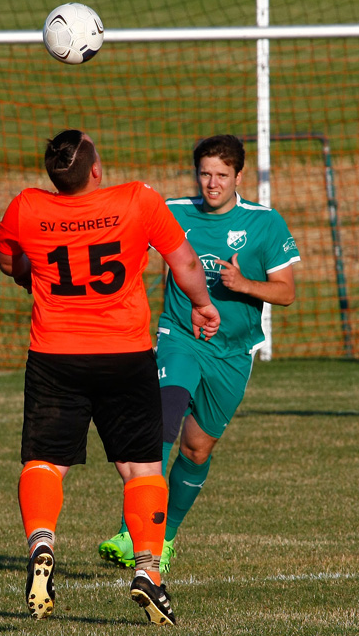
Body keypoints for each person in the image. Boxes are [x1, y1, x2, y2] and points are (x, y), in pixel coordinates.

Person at [0, 129, 220, 625]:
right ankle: (147, 572)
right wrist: (202, 306)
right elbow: (182, 262)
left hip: (55, 354)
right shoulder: (138, 199)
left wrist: (30, 276)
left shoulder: (27, 207)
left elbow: (9, 259)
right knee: (142, 468)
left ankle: (41, 545)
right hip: (126, 354)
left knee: (46, 462)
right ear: (95, 169)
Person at [97, 134, 300, 573]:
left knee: (196, 449)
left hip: (232, 353)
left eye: (222, 176)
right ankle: (133, 532)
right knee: (164, 422)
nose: (212, 184)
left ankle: (165, 539)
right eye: (205, 174)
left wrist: (244, 285)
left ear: (238, 176)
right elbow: (119, 235)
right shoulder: (174, 211)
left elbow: (286, 293)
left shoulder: (265, 223)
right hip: (180, 338)